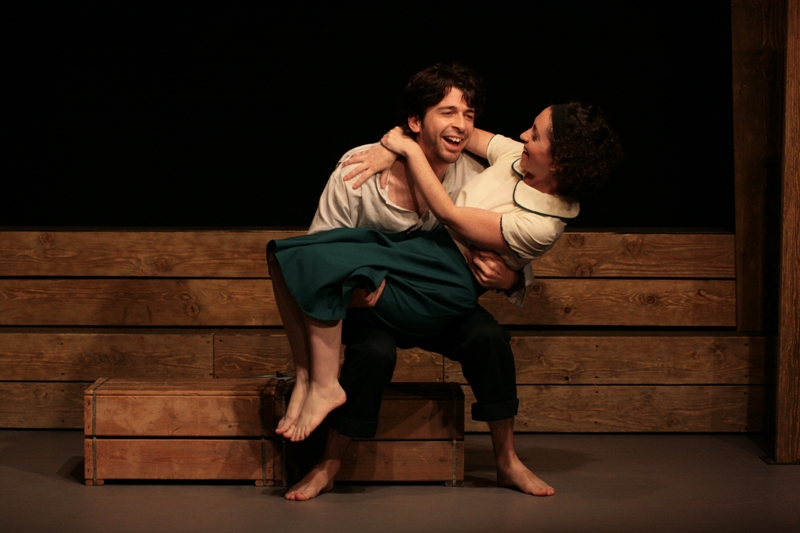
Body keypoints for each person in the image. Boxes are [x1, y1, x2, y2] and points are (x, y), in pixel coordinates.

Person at [267, 64, 622, 501]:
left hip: (439, 287)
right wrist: (393, 148)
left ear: (560, 158)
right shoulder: (365, 169)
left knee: (489, 339)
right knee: (350, 323)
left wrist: (513, 278)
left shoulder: (516, 204)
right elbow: (326, 247)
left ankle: (507, 460)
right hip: (376, 297)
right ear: (417, 121)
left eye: (534, 134)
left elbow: (460, 220)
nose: (522, 135)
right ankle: (327, 456)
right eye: (449, 112)